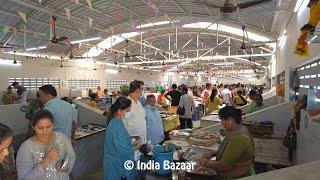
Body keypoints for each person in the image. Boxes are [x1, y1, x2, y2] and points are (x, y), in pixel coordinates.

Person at [196, 106, 255, 179]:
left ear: (229, 119)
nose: (221, 123)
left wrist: (206, 163)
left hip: (236, 176)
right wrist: (213, 153)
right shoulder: (239, 129)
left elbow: (224, 165)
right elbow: (231, 152)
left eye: (222, 120)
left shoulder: (238, 138)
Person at [16, 110, 76, 180]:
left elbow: (71, 156)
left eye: (48, 127)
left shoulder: (61, 137)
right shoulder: (26, 148)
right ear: (33, 127)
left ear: (53, 125)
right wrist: (46, 161)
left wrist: (66, 167)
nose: (45, 131)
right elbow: (24, 178)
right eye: (40, 128)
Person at [104, 96, 135, 180]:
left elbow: (119, 142)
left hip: (114, 162)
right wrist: (136, 147)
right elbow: (124, 150)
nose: (129, 113)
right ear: (119, 111)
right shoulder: (117, 125)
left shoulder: (115, 121)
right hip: (118, 165)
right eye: (127, 111)